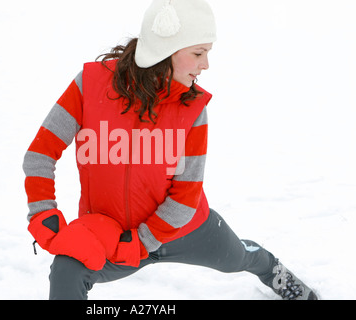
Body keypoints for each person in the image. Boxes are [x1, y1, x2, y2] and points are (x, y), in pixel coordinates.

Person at [23, 0, 318, 300]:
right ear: (165, 52)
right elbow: (40, 155)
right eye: (198, 53)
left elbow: (185, 196)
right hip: (111, 233)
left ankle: (272, 271)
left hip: (184, 229)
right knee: (66, 270)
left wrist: (141, 242)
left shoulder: (193, 109)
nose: (206, 65)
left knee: (238, 257)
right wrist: (43, 213)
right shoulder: (90, 86)